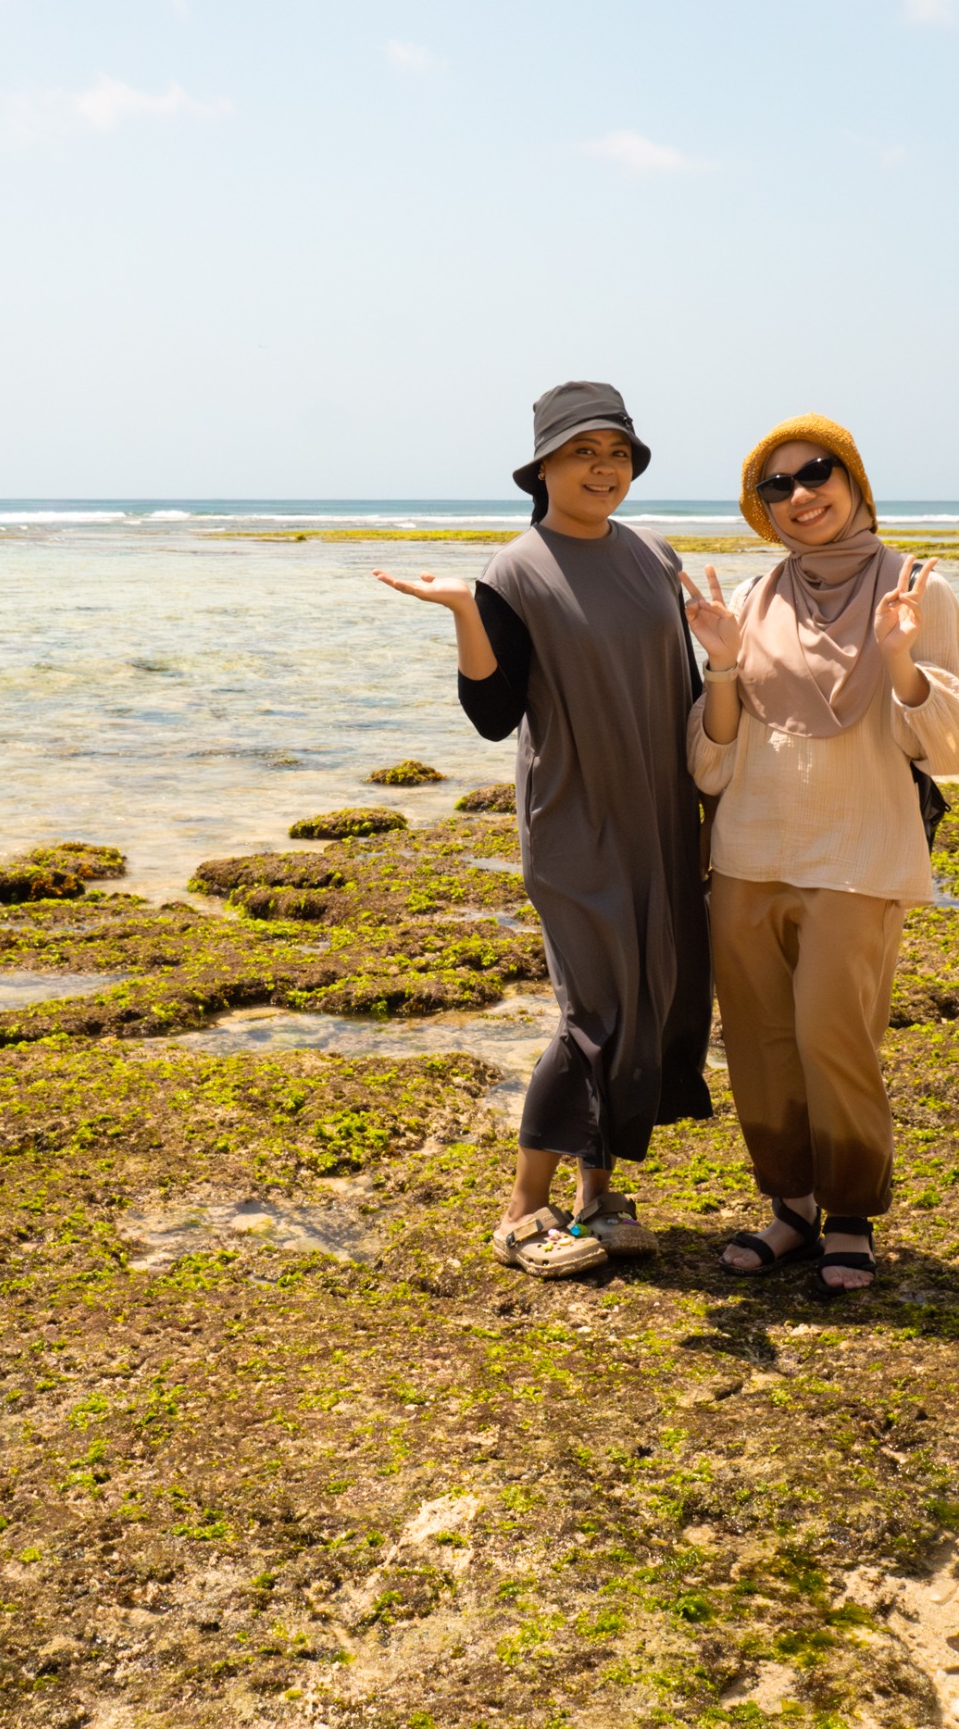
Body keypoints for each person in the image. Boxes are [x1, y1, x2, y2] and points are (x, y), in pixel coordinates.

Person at [377, 382, 713, 1279]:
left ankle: (597, 1199)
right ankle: (522, 1207)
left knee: (649, 1004)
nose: (603, 470)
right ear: (546, 469)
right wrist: (463, 611)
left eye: (617, 455)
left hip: (664, 817)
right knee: (594, 1012)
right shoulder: (516, 569)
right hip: (576, 820)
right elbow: (493, 712)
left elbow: (687, 688)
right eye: (582, 454)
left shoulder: (655, 557)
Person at [683, 416, 959, 1296]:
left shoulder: (916, 591)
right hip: (747, 853)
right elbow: (709, 760)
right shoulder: (745, 600)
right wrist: (723, 669)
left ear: (853, 479)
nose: (800, 495)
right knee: (759, 1044)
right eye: (775, 487)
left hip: (857, 857)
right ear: (763, 512)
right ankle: (790, 1208)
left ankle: (850, 1214)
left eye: (816, 471)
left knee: (835, 1039)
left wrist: (899, 659)